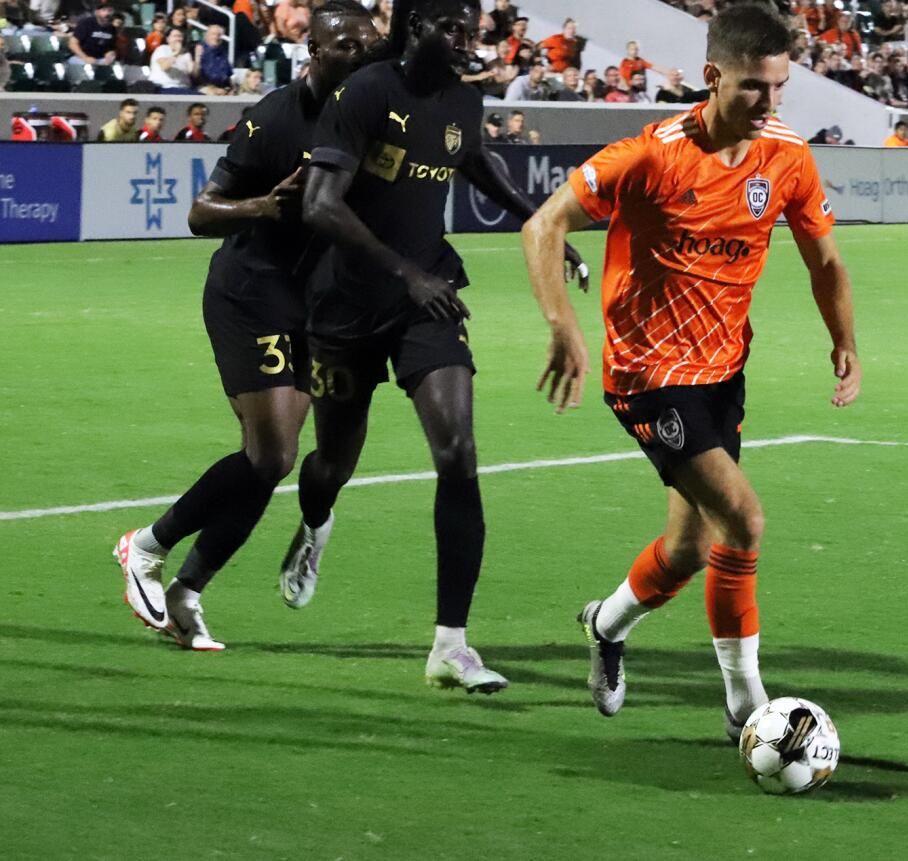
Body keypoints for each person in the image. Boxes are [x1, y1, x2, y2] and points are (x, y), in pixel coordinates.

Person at [520, 2, 860, 739]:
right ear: (712, 77)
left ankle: (606, 626)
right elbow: (542, 223)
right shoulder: (649, 157)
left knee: (690, 547)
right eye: (752, 89)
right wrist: (563, 329)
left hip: (721, 372)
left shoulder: (788, 157)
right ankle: (750, 710)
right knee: (744, 520)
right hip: (647, 374)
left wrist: (845, 340)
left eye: (779, 88)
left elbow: (825, 259)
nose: (769, 105)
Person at [287, 0, 588, 694]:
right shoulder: (366, 92)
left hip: (429, 302)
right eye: (453, 27)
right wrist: (406, 272)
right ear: (417, 26)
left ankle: (450, 643)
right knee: (332, 460)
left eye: (473, 29)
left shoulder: (464, 99)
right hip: (346, 305)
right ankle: (315, 523)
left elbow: (478, 166)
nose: (466, 40)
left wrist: (547, 227)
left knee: (458, 452)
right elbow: (319, 205)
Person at [113, 0, 383, 652]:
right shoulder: (278, 116)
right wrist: (263, 204)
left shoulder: (369, 119)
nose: (362, 55)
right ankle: (144, 547)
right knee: (273, 454)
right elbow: (200, 213)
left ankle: (188, 590)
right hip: (249, 292)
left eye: (368, 45)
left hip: (311, 302)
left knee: (268, 462)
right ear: (314, 51)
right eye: (347, 45)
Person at [68, 1, 116, 66]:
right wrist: (85, 58)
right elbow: (72, 44)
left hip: (99, 59)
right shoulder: (86, 23)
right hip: (79, 57)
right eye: (104, 10)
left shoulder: (112, 28)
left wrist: (110, 54)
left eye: (110, 10)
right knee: (88, 65)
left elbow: (111, 48)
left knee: (115, 67)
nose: (107, 13)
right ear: (97, 12)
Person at [149, 28, 196, 92]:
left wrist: (197, 57)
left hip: (184, 87)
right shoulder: (162, 49)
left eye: (180, 36)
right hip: (165, 86)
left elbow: (191, 72)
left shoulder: (186, 54)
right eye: (175, 36)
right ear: (168, 39)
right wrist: (177, 53)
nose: (178, 39)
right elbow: (164, 66)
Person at [195, 24, 234, 94]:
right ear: (206, 36)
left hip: (222, 87)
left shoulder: (223, 52)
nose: (216, 37)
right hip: (204, 87)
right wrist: (197, 59)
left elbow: (229, 75)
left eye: (218, 35)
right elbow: (195, 75)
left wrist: (231, 89)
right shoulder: (199, 49)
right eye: (213, 34)